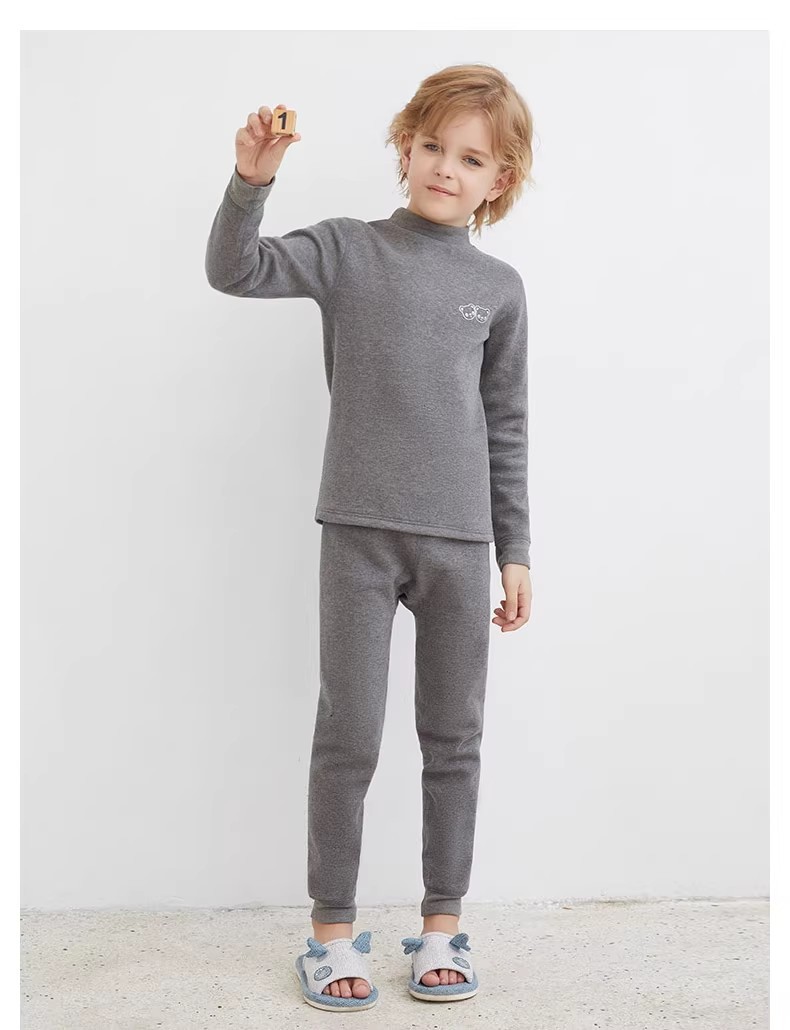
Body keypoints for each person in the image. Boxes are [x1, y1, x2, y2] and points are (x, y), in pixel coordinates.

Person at [205, 63, 534, 1008]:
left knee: (453, 738)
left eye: (470, 158)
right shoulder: (349, 250)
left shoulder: (499, 289)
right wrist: (252, 180)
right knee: (347, 735)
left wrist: (514, 549)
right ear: (405, 148)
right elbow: (235, 270)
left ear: (498, 180)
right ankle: (330, 933)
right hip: (357, 534)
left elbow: (506, 425)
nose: (445, 168)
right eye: (431, 146)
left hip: (459, 546)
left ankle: (442, 925)